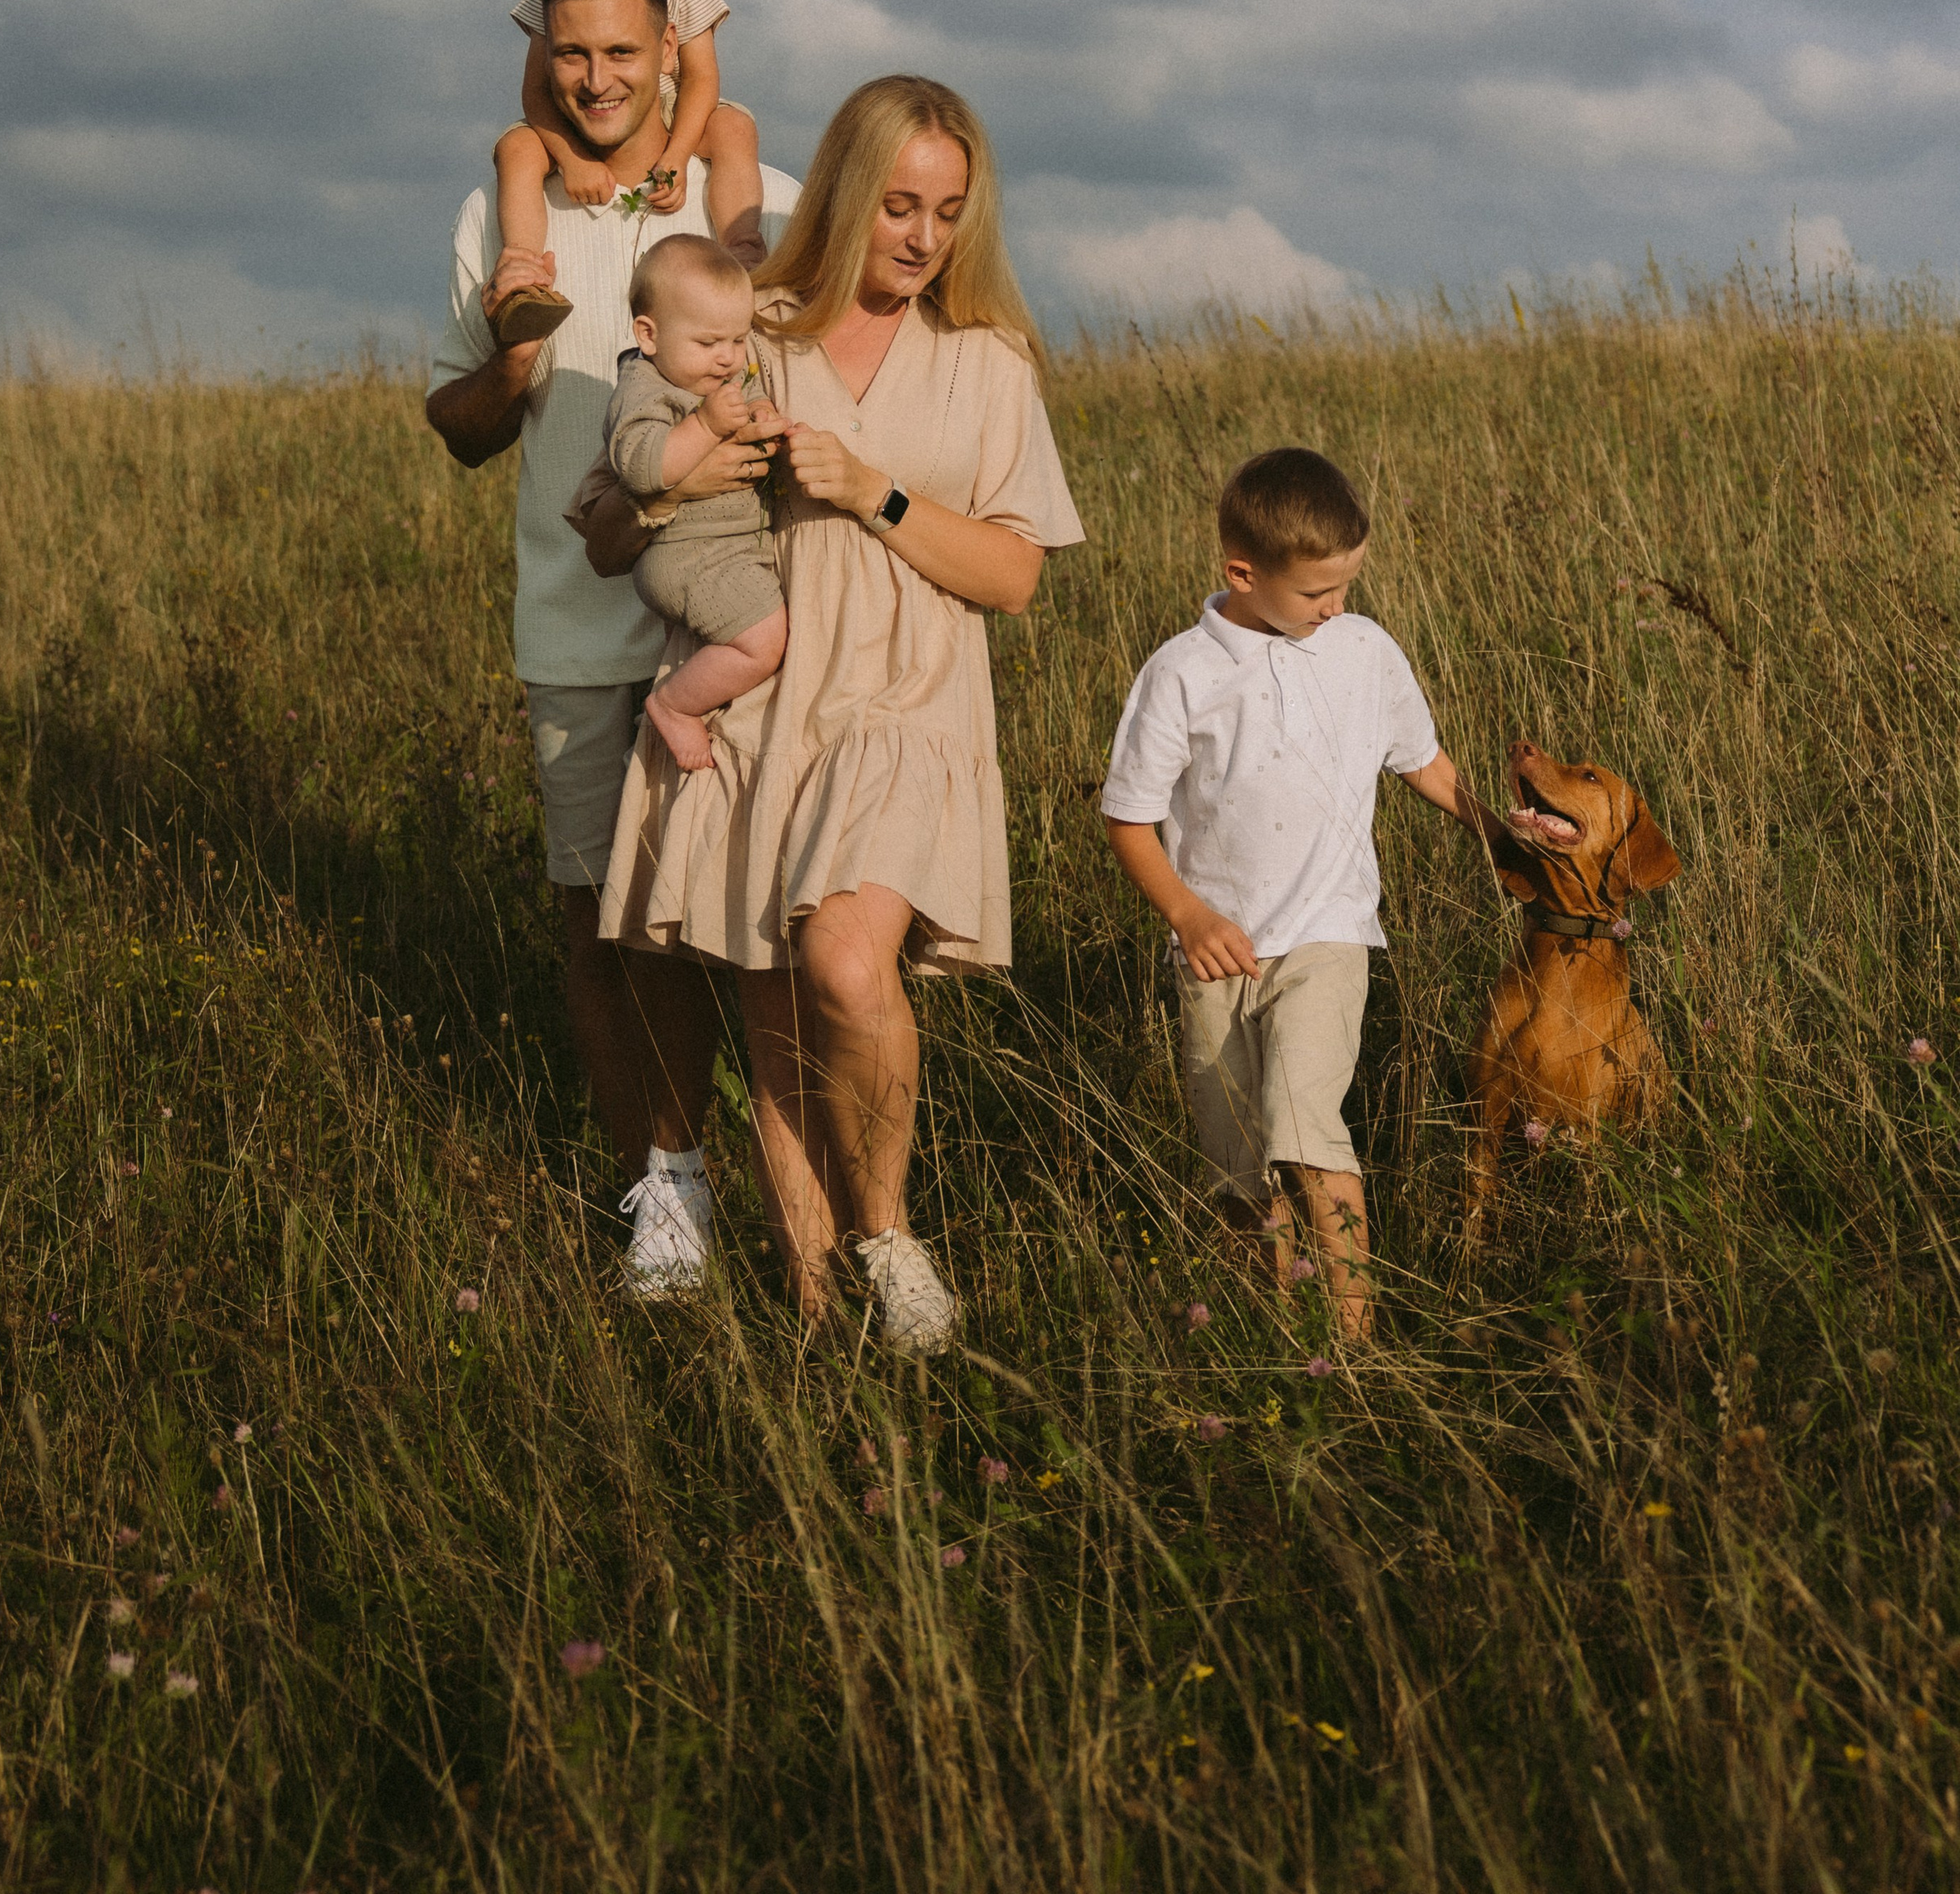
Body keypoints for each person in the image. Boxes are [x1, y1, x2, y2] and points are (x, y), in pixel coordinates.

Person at [581, 75, 1084, 1349]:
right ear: (852, 194)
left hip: (908, 701)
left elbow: (1018, 577)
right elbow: (612, 511)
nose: (920, 238)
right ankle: (812, 1305)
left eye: (948, 213)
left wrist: (876, 493)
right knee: (771, 1001)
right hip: (765, 703)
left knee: (846, 967)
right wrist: (659, 487)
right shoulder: (761, 335)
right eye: (900, 206)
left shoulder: (986, 363)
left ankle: (887, 1233)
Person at [425, 0, 797, 1295]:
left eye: (622, 53)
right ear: (545, 52)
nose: (595, 78)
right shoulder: (503, 217)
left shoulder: (750, 199)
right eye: (571, 52)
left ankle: (809, 1206)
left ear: (668, 51)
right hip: (576, 628)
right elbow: (458, 428)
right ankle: (666, 1186)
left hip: (736, 620)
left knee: (757, 916)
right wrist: (517, 353)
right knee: (598, 918)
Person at [1100, 445, 1486, 1343]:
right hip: (1218, 950)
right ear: (1242, 571)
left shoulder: (1363, 650)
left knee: (1305, 1126)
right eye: (1318, 593)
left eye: (1346, 585)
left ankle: (1355, 1344)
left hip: (1328, 932)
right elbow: (1129, 818)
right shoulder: (1181, 672)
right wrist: (1188, 915)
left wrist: (1498, 830)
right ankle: (1261, 1331)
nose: (1337, 607)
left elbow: (1422, 763)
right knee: (1234, 1164)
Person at [491, 0, 767, 345]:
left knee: (734, 129)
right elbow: (536, 86)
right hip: (579, 113)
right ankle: (524, 275)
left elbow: (701, 78)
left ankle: (743, 252)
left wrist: (676, 157)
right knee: (516, 149)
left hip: (666, 109)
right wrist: (568, 158)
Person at [601, 234, 789, 775]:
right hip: (687, 557)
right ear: (649, 335)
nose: (728, 358)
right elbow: (642, 468)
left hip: (722, 549)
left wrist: (764, 424)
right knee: (763, 641)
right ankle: (673, 705)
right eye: (709, 342)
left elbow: (744, 413)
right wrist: (706, 425)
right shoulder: (644, 390)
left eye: (737, 339)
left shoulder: (710, 375)